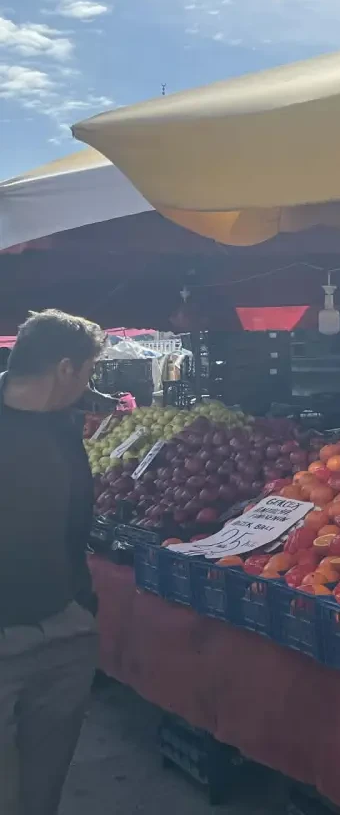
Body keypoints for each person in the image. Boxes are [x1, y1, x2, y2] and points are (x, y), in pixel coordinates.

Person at [0, 310, 106, 815]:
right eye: (87, 373)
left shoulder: (63, 428)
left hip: (63, 633)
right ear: (65, 368)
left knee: (41, 795)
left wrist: (81, 607)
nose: (86, 386)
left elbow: (72, 522)